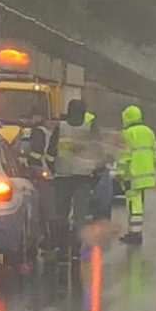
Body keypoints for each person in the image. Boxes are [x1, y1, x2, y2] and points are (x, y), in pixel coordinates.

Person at [53, 99, 103, 261]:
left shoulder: (60, 127)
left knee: (61, 214)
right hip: (84, 177)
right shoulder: (89, 128)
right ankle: (75, 249)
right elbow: (98, 150)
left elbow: (51, 150)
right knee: (79, 217)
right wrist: (96, 172)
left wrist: (51, 168)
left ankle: (61, 248)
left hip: (62, 176)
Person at [16, 108, 57, 249]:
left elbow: (33, 152)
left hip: (36, 174)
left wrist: (26, 162)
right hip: (42, 174)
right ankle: (48, 239)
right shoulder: (44, 132)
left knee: (41, 209)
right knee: (44, 210)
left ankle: (46, 239)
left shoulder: (36, 132)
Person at [118, 105, 156, 245]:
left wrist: (120, 173)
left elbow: (124, 156)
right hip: (146, 174)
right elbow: (155, 152)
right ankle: (135, 232)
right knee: (139, 202)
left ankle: (135, 234)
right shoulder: (149, 132)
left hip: (132, 174)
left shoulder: (127, 133)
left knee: (133, 204)